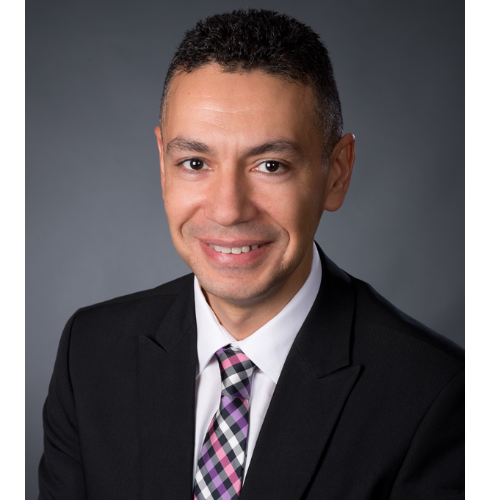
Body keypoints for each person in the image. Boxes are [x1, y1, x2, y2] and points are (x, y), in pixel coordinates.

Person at [38, 9, 465, 500]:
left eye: (270, 165)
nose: (228, 210)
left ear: (337, 173)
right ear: (162, 164)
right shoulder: (89, 353)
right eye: (194, 162)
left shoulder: (434, 396)